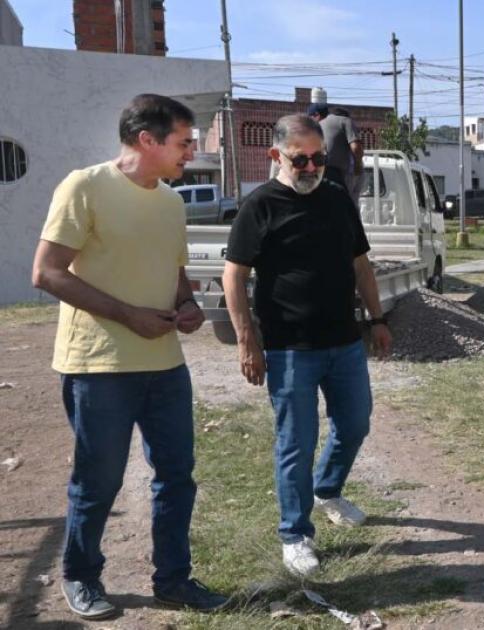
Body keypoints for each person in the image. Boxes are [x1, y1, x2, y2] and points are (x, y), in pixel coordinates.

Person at [30, 94, 229, 619]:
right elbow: (47, 272)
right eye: (184, 142)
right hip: (99, 367)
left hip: (165, 365)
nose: (192, 151)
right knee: (99, 481)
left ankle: (173, 580)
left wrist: (186, 304)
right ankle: (81, 575)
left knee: (177, 476)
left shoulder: (171, 202)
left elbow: (174, 271)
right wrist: (128, 315)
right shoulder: (84, 186)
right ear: (147, 139)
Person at [222, 114, 393, 577]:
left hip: (344, 342)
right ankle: (295, 535)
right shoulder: (260, 206)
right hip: (289, 348)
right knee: (295, 442)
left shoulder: (337, 198)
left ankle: (327, 489)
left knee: (355, 424)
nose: (312, 167)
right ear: (276, 156)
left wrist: (377, 319)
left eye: (318, 158)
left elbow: (361, 265)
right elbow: (233, 277)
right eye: (301, 160)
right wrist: (247, 342)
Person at [307, 103, 362, 196]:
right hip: (337, 173)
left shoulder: (314, 128)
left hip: (318, 172)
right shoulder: (345, 120)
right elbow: (356, 147)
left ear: (317, 115)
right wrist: (358, 166)